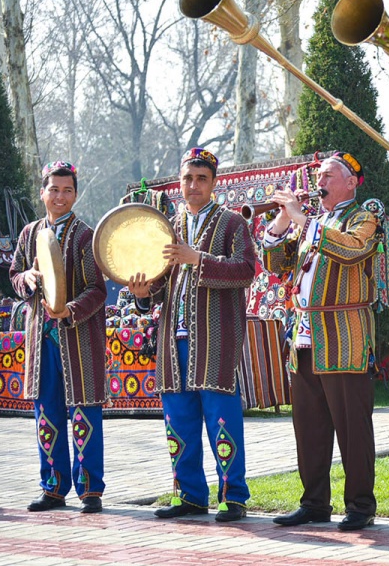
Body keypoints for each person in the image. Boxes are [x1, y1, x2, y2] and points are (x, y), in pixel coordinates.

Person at [128, 148, 257, 523]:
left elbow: (246, 270)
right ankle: (189, 495)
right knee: (178, 421)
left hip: (216, 341)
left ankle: (233, 497)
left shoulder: (232, 224)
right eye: (188, 178)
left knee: (222, 420)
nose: (194, 185)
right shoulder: (167, 227)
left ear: (214, 183)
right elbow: (160, 283)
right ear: (179, 183)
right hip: (173, 342)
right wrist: (143, 293)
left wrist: (198, 258)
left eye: (202, 179)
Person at [261, 151, 380, 532]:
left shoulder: (363, 217)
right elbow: (274, 265)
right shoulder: (310, 222)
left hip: (344, 335)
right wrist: (282, 221)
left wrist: (302, 219)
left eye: (328, 175)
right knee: (309, 426)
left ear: (351, 182)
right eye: (318, 176)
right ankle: (314, 503)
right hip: (304, 336)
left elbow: (351, 249)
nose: (320, 181)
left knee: (352, 426)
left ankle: (360, 505)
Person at [10, 161, 107, 514]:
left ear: (76, 195)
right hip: (42, 340)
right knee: (46, 414)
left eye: (67, 190)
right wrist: (26, 278)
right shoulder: (30, 234)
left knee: (84, 414)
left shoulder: (85, 236)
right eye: (54, 189)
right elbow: (14, 274)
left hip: (78, 340)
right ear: (42, 193)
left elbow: (97, 290)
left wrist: (70, 310)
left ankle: (90, 490)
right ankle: (52, 488)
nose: (60, 196)